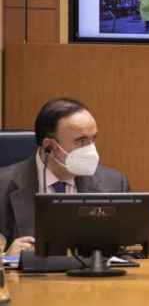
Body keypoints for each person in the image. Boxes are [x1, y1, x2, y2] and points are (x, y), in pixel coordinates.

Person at [0, 98, 130, 256]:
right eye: (81, 141)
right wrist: (7, 259)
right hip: (27, 280)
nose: (90, 149)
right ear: (49, 146)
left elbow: (128, 255)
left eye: (93, 139)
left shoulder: (114, 184)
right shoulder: (3, 186)